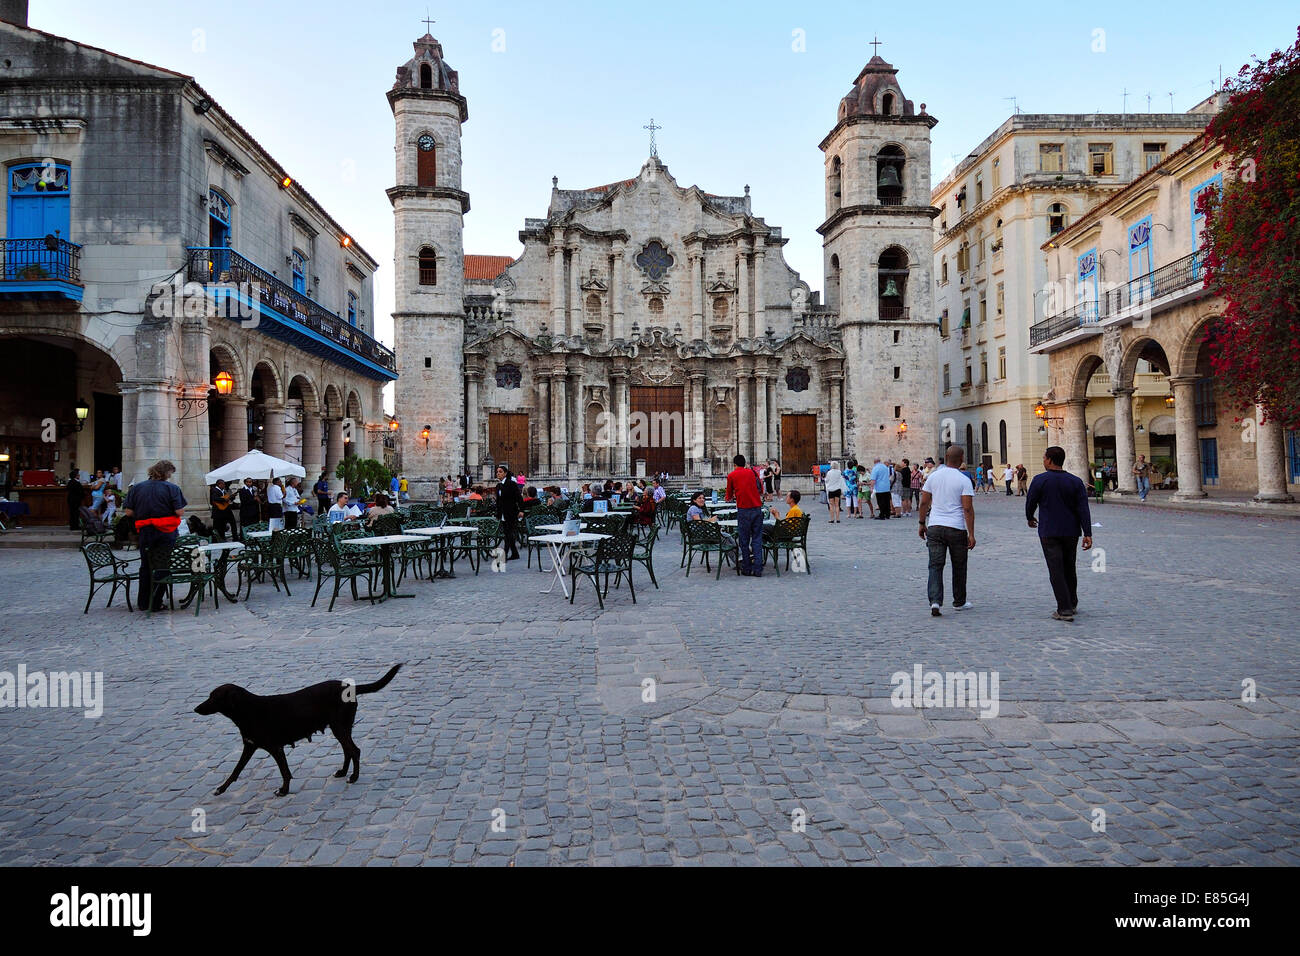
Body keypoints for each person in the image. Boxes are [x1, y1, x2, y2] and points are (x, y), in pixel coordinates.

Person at [1026, 445, 1094, 622]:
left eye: (1044, 458)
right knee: (1069, 567)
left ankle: (1064, 609)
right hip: (1071, 531)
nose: (1043, 461)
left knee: (1056, 569)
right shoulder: (1075, 481)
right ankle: (1072, 602)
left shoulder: (1040, 480)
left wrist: (1030, 517)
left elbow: (1030, 502)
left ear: (1049, 460)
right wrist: (1087, 532)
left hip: (1049, 530)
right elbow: (1083, 509)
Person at [917, 446, 976, 616]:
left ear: (945, 457)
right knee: (959, 566)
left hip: (935, 526)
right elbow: (967, 509)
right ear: (962, 458)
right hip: (956, 528)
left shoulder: (933, 477)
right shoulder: (963, 479)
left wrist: (922, 523)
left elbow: (924, 503)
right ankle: (959, 601)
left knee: (935, 565)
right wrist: (971, 533)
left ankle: (935, 602)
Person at [122, 460, 187, 612]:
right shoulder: (172, 488)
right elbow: (179, 512)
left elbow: (128, 512)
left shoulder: (137, 488)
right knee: (162, 566)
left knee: (146, 565)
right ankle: (156, 601)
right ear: (167, 473)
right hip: (165, 532)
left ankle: (143, 602)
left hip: (145, 531)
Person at [725, 454, 764, 576]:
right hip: (757, 508)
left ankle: (746, 568)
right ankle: (758, 569)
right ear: (744, 463)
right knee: (757, 539)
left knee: (744, 540)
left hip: (744, 510)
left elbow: (728, 495)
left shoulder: (732, 475)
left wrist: (730, 497)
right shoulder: (752, 472)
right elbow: (761, 489)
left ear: (734, 464)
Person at [496, 464, 523, 560]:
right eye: (497, 472)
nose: (498, 474)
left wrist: (521, 510)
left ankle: (504, 554)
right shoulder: (498, 486)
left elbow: (519, 498)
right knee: (508, 534)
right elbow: (498, 501)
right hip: (503, 513)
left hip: (511, 512)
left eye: (500, 472)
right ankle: (515, 554)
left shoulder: (511, 484)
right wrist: (498, 513)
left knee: (508, 534)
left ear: (505, 473)